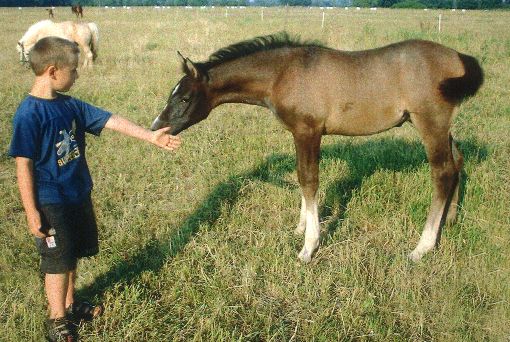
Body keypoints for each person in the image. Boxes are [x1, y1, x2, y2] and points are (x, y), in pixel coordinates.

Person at [8, 36, 181, 342]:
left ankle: (71, 305)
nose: (76, 76)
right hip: (50, 200)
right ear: (52, 71)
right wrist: (32, 212)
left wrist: (150, 136)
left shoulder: (70, 105)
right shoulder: (29, 114)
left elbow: (110, 120)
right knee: (57, 260)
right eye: (73, 70)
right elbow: (23, 166)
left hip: (77, 193)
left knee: (71, 252)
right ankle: (56, 318)